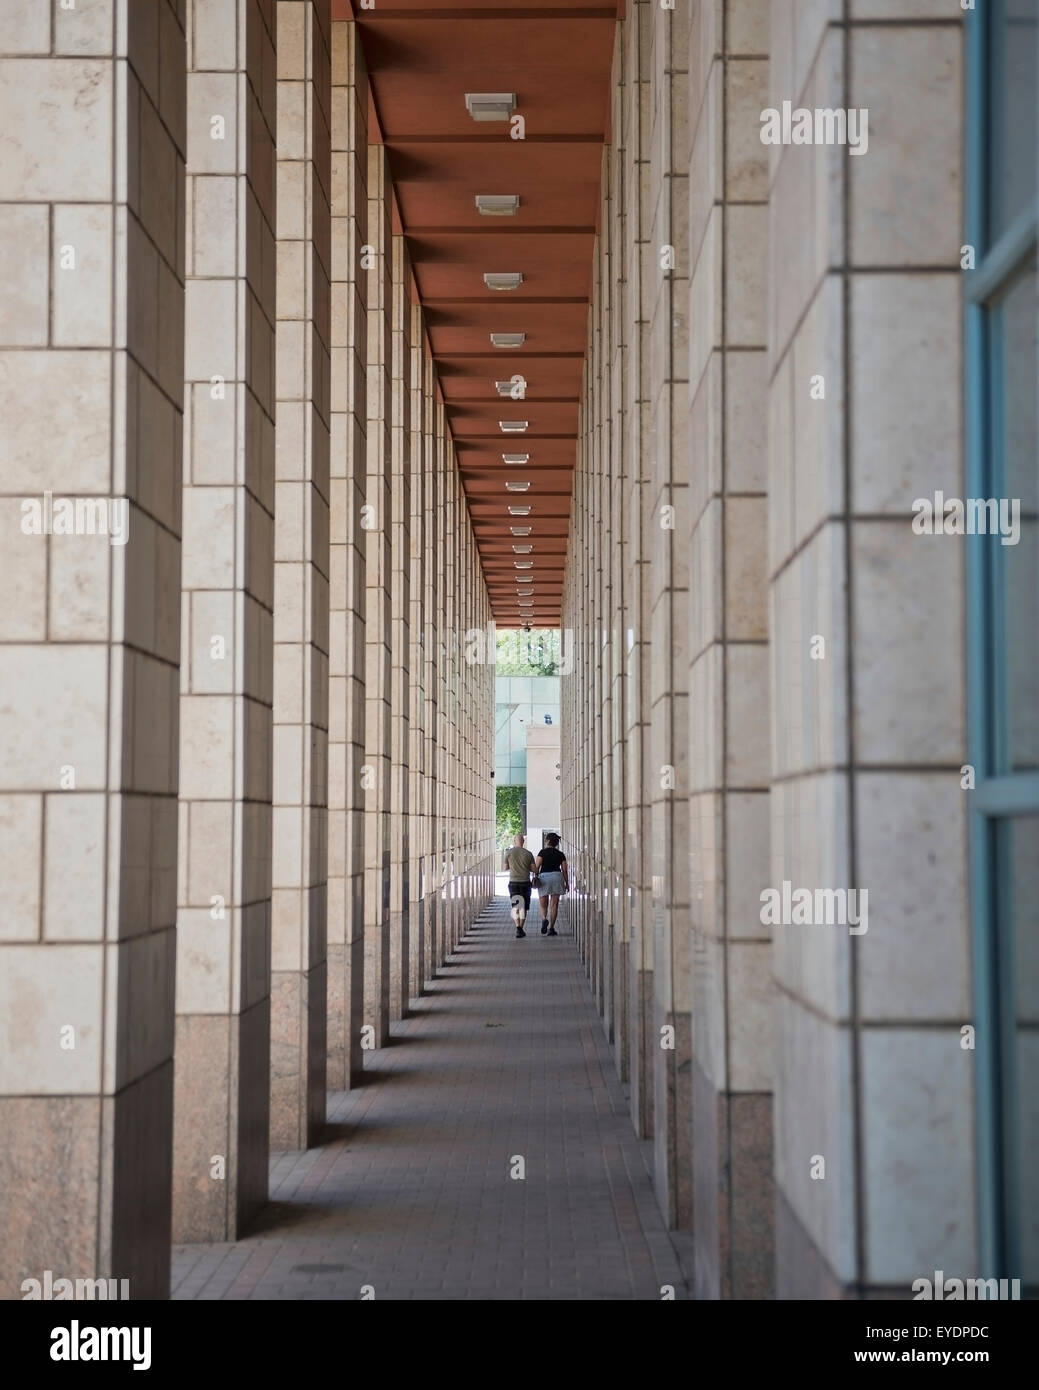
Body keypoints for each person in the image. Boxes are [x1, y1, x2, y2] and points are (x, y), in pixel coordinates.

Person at [534, 833, 568, 935]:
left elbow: (536, 867)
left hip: (544, 878)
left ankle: (544, 919)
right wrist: (567, 883)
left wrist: (535, 877)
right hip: (557, 877)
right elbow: (564, 870)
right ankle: (552, 928)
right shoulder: (560, 854)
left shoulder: (542, 852)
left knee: (543, 904)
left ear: (548, 841)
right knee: (554, 905)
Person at [503, 833, 536, 938]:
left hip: (513, 882)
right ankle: (521, 927)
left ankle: (518, 927)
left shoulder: (508, 853)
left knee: (516, 905)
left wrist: (513, 866)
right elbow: (534, 869)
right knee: (524, 907)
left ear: (514, 841)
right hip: (525, 882)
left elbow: (505, 868)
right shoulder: (528, 854)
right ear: (523, 842)